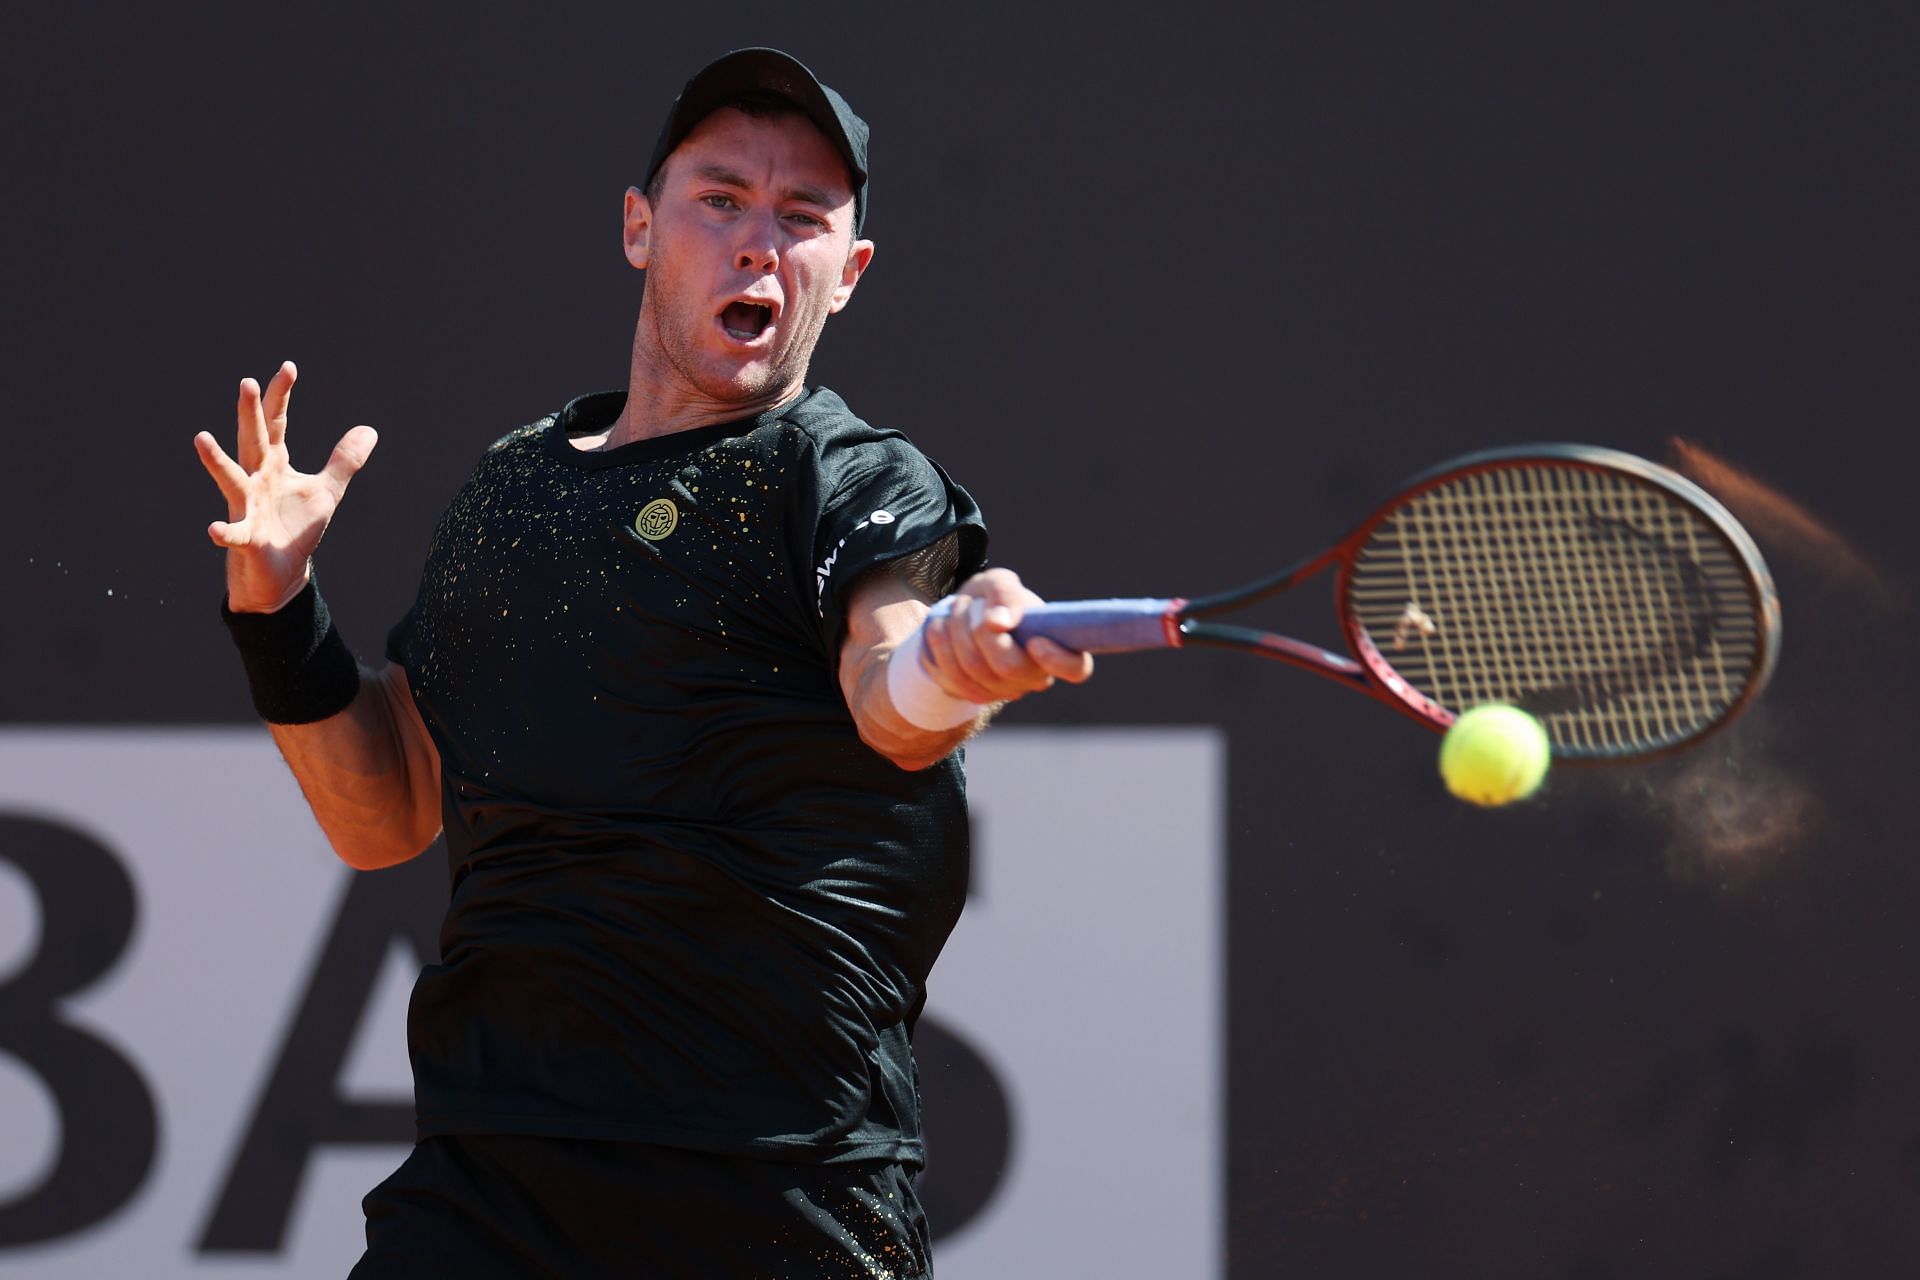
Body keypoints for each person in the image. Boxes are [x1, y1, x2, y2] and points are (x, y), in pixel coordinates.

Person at [193, 47, 1090, 1279]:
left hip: (773, 1188)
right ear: (639, 227)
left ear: (849, 273)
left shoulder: (856, 480)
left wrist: (951, 659)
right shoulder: (516, 489)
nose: (757, 241)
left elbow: (893, 696)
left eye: (802, 216)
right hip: (487, 1188)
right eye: (719, 199)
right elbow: (390, 801)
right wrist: (279, 610)